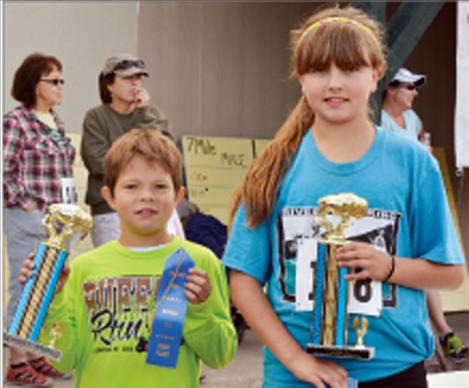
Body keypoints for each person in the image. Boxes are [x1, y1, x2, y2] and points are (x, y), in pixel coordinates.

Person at [222, 5, 465, 388]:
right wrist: (297, 361)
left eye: (350, 69)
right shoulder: (272, 167)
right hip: (296, 376)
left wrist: (387, 267)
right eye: (319, 70)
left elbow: (451, 274)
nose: (334, 83)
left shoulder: (414, 164)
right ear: (301, 78)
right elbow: (244, 280)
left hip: (395, 370)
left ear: (376, 75)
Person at [20, 128, 237, 388]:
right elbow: (64, 361)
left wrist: (199, 312)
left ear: (178, 196)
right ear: (109, 197)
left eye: (159, 186)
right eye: (132, 186)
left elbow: (221, 356)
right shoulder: (83, 268)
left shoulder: (199, 262)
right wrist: (52, 300)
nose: (146, 196)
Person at [382, 68, 469, 363]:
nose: (415, 93)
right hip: (392, 204)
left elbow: (421, 140)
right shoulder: (377, 120)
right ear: (391, 89)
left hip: (416, 201)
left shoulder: (413, 119)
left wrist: (424, 147)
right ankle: (440, 333)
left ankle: (441, 334)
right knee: (410, 268)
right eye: (409, 87)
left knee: (429, 264)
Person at [3, 53, 76, 386]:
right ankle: (16, 362)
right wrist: (31, 206)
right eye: (54, 80)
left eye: (62, 80)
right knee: (27, 283)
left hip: (59, 220)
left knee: (47, 287)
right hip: (28, 218)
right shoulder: (16, 121)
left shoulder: (56, 122)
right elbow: (5, 171)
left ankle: (33, 353)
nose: (61, 86)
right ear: (34, 83)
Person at [81, 53, 183, 247]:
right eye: (127, 78)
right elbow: (97, 161)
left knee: (165, 267)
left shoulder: (153, 115)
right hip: (110, 209)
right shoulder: (96, 117)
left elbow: (166, 158)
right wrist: (143, 166)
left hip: (156, 205)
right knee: (114, 271)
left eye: (138, 78)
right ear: (109, 84)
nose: (135, 84)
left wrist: (144, 114)